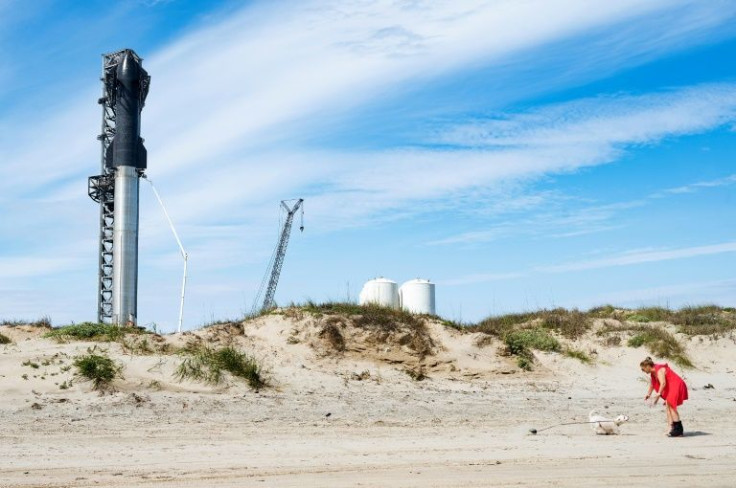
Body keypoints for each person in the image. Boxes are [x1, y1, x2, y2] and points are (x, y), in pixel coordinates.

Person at [640, 356, 689, 437]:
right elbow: (652, 384)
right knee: (668, 405)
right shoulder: (653, 373)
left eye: (643, 369)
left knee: (671, 405)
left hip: (676, 384)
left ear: (648, 366)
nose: (643, 371)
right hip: (672, 385)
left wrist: (658, 394)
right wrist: (648, 394)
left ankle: (678, 429)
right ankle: (671, 428)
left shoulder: (659, 370)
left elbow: (663, 383)